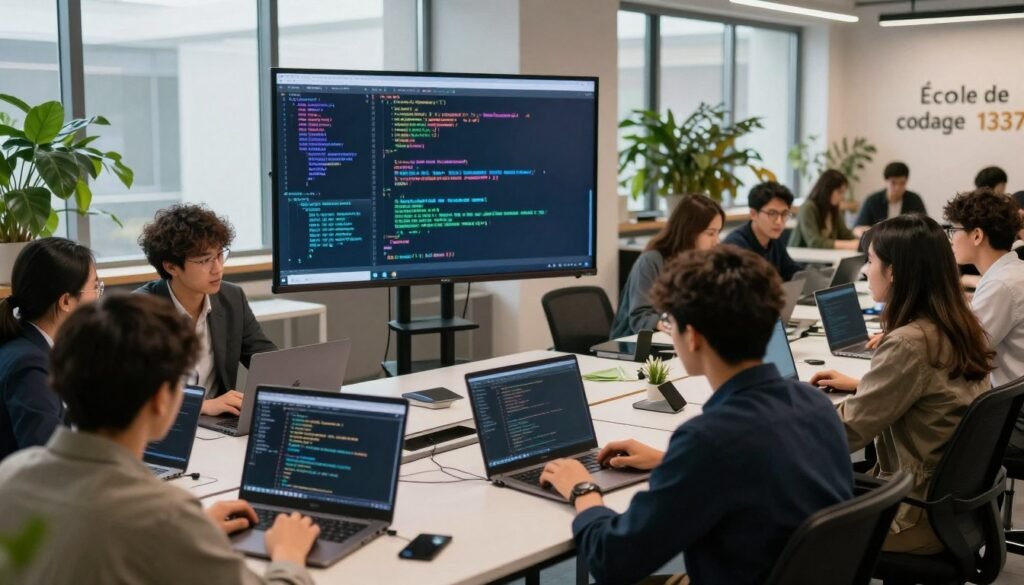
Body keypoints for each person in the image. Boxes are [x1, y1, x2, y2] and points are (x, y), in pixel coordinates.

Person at [544, 246, 853, 585]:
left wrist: (582, 488)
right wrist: (669, 462)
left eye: (671, 323)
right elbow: (756, 471)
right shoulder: (815, 404)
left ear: (692, 337)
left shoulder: (711, 439)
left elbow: (610, 560)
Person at [0, 294, 319, 584]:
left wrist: (192, 535)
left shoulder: (10, 476)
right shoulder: (162, 516)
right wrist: (288, 554)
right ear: (162, 401)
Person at [810, 214, 993, 554]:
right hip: (954, 510)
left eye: (871, 261)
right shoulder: (959, 326)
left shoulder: (909, 344)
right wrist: (864, 386)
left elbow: (847, 432)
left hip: (914, 516)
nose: (866, 271)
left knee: (780, 518)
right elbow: (929, 389)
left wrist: (784, 420)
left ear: (893, 272)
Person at [137, 204, 276, 417]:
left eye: (220, 255)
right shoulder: (141, 310)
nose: (217, 268)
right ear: (171, 267)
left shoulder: (232, 298)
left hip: (216, 426)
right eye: (204, 260)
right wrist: (202, 405)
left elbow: (266, 359)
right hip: (165, 426)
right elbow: (136, 390)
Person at [0, 238, 100, 460]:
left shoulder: (32, 344)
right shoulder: (28, 365)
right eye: (95, 286)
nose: (98, 296)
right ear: (66, 301)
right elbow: (47, 458)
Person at [943, 189, 1024, 461]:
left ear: (977, 235)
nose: (951, 239)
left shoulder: (1002, 285)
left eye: (954, 230)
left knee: (927, 423)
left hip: (1017, 421)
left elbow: (960, 354)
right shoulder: (1012, 273)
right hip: (1013, 407)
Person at [610, 194, 724, 338]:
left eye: (718, 233)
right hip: (635, 346)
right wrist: (665, 324)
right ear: (689, 231)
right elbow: (639, 317)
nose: (717, 241)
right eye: (711, 234)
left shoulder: (702, 262)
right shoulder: (651, 261)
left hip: (678, 341)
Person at [723, 181, 803, 281]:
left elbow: (792, 271)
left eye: (784, 214)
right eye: (772, 213)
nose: (779, 221)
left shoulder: (774, 238)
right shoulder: (735, 245)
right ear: (753, 214)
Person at [789, 169, 860, 250]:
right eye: (839, 192)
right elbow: (814, 242)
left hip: (823, 257)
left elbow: (846, 235)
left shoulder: (834, 209)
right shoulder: (808, 208)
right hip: (800, 258)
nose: (842, 196)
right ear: (827, 190)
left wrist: (862, 241)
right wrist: (851, 245)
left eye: (843, 192)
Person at [853, 162, 927, 235]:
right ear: (886, 181)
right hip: (878, 243)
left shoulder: (914, 200)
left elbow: (925, 227)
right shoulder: (872, 201)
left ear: (907, 181)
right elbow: (857, 228)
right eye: (893, 183)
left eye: (902, 183)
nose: (897, 188)